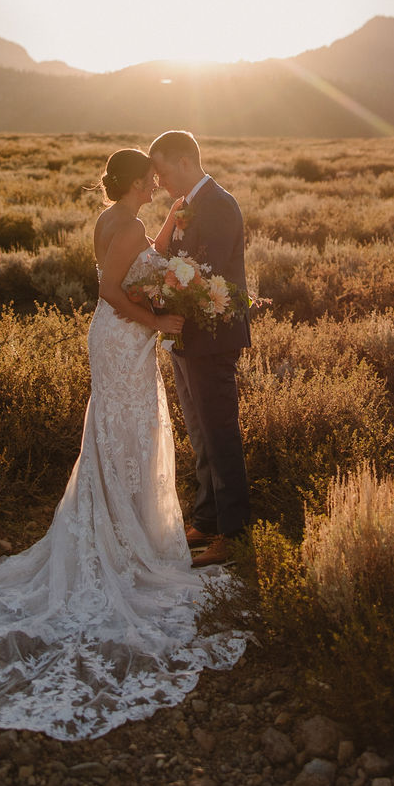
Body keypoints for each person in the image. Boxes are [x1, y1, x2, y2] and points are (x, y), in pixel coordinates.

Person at [0, 147, 245, 740]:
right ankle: (120, 529)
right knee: (123, 431)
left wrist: (171, 233)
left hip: (121, 339)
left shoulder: (117, 219)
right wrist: (159, 319)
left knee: (121, 432)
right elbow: (113, 287)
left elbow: (148, 254)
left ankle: (122, 518)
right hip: (122, 335)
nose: (159, 186)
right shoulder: (127, 225)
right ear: (140, 182)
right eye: (153, 180)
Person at [148, 130, 251, 567]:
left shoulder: (220, 206)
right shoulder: (189, 205)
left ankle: (235, 533)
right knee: (200, 434)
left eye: (164, 171)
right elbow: (179, 265)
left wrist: (156, 297)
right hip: (185, 336)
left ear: (186, 162)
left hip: (212, 338)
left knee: (221, 432)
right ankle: (208, 519)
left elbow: (202, 273)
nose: (161, 181)